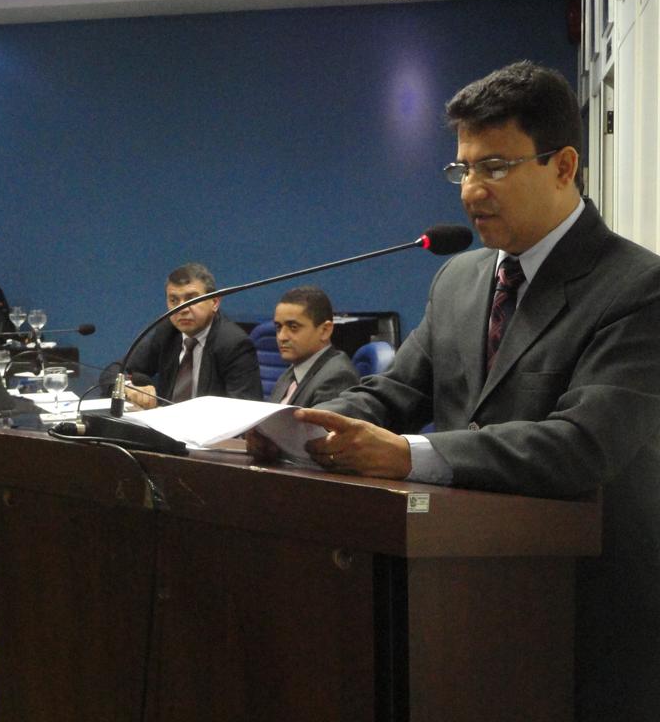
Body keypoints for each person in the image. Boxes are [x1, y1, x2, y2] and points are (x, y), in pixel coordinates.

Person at [249, 60, 660, 721]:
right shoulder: (461, 280)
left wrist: (410, 455)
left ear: (563, 166)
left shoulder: (636, 287)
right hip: (460, 598)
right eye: (462, 169)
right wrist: (297, 424)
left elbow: (583, 444)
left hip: (585, 614)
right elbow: (392, 393)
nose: (471, 190)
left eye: (495, 166)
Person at [120, 262, 262, 408]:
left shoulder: (234, 344)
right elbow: (118, 369)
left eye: (192, 300)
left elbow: (244, 410)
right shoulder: (168, 331)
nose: (182, 309)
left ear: (214, 302)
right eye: (174, 300)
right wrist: (129, 387)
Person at [268, 286, 359, 406]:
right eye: (279, 327)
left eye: (293, 327)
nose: (282, 337)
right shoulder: (291, 372)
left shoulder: (337, 378)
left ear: (325, 330)